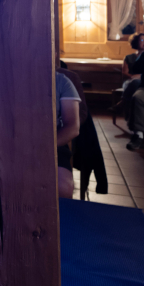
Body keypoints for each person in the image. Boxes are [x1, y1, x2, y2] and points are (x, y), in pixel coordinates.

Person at [56, 71, 83, 199]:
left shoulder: (62, 81)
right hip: (9, 141)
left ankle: (60, 219)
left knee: (62, 188)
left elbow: (72, 127)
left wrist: (43, 148)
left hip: (52, 141)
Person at [118, 33, 144, 123]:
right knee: (133, 83)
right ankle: (130, 117)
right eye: (142, 40)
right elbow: (124, 73)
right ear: (136, 42)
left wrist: (141, 76)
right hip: (130, 81)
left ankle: (122, 103)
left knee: (137, 84)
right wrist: (133, 76)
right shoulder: (129, 57)